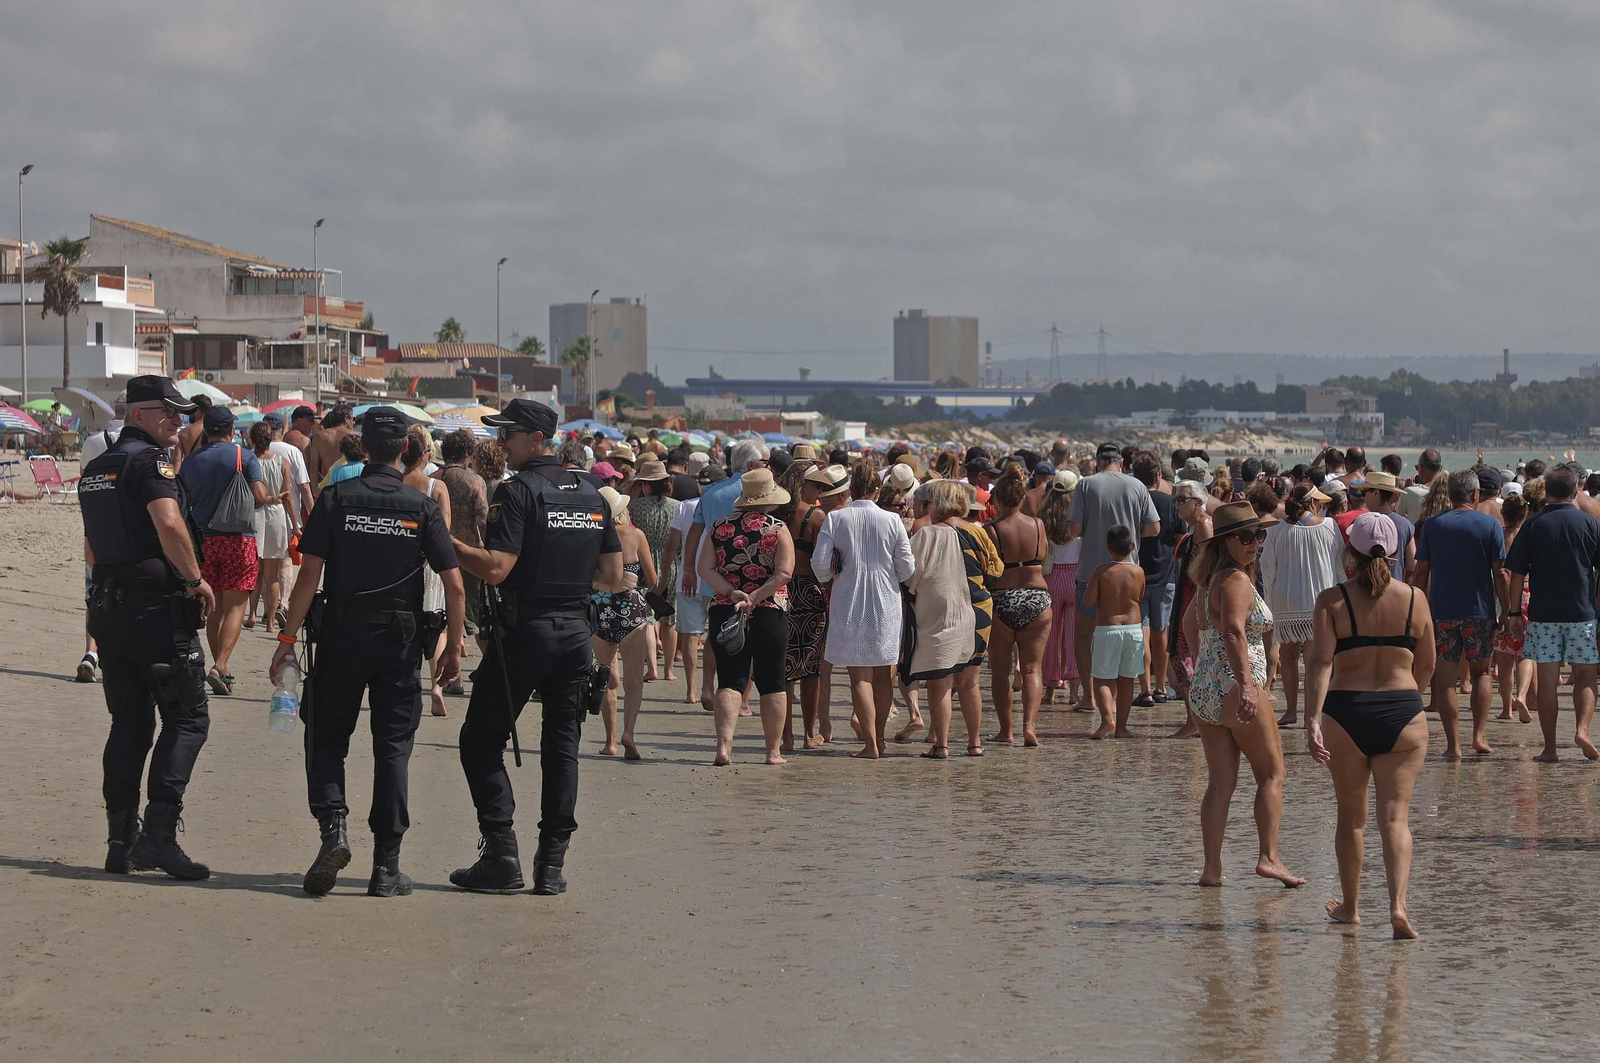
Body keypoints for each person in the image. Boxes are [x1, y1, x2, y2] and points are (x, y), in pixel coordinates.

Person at [269, 407, 464, 897]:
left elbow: (308, 578)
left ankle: (333, 827)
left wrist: (286, 642)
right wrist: (455, 647)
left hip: (339, 637)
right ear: (405, 450)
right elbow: (455, 585)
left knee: (327, 737)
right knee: (393, 748)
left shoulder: (335, 499)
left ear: (360, 444)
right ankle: (386, 866)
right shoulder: (419, 506)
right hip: (398, 643)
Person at [447, 399, 624, 896]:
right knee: (562, 745)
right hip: (574, 632)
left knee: (480, 741)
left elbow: (498, 568)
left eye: (510, 435)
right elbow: (612, 577)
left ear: (538, 439)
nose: (501, 443)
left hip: (527, 629)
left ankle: (502, 854)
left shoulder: (517, 491)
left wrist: (449, 544)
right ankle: (551, 865)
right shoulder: (593, 495)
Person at [80, 376, 216, 881]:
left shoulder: (96, 468)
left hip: (111, 610)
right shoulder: (150, 462)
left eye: (181, 414)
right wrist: (196, 579)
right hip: (155, 612)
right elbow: (168, 521)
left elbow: (92, 544)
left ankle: (121, 841)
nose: (177, 422)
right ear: (139, 413)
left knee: (129, 724)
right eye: (168, 413)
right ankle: (157, 835)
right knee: (188, 719)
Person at [1304, 512, 1434, 939]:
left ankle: (1351, 908)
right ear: (1394, 553)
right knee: (1396, 820)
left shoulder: (1332, 600)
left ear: (1350, 555)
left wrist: (1311, 720)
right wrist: (1408, 698)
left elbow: (1321, 663)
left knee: (1352, 820)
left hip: (1347, 711)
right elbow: (1427, 665)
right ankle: (1398, 906)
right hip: (1404, 713)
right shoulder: (1415, 599)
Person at [1185, 501, 1304, 889]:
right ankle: (1269, 858)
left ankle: (1212, 869)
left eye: (1259, 535)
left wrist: (1208, 665)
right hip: (1237, 686)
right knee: (1273, 774)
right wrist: (1249, 684)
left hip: (1205, 688)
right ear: (1225, 542)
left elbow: (1190, 625)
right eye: (1246, 537)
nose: (1256, 543)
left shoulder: (1208, 582)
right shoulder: (1235, 581)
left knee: (1221, 782)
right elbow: (1235, 631)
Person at [813, 460, 915, 759]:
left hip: (849, 596)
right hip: (886, 598)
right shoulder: (893, 520)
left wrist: (834, 572)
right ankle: (879, 739)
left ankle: (870, 744)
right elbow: (907, 567)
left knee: (859, 676)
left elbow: (819, 565)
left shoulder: (836, 519)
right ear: (877, 489)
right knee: (883, 675)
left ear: (849, 488)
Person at [696, 469, 795, 765]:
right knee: (773, 681)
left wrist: (733, 592)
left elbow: (705, 569)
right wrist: (757, 596)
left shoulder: (719, 527)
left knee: (730, 680)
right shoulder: (777, 528)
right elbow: (784, 573)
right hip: (769, 611)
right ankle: (772, 752)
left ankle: (724, 748)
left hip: (726, 608)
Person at [1504, 465, 1600, 762]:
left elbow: (1516, 573)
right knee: (1585, 676)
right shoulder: (1590, 524)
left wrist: (1512, 612)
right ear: (1575, 492)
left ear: (1546, 492)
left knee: (1547, 681)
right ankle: (1582, 729)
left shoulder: (1533, 525)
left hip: (1543, 614)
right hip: (1582, 612)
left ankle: (1549, 748)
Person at [1411, 469, 1507, 758]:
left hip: (1441, 612)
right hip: (1479, 611)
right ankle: (1479, 736)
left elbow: (1421, 572)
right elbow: (1499, 573)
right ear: (1475, 494)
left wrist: (1416, 607)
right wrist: (1509, 610)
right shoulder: (1490, 526)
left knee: (1446, 677)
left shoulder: (1432, 526)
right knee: (1481, 674)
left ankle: (1453, 746)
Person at [178, 404, 268, 696]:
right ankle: (220, 665)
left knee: (213, 604)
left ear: (205, 430)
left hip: (203, 541)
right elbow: (258, 496)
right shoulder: (244, 456)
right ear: (232, 430)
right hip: (237, 539)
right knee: (236, 606)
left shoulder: (190, 462)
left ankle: (223, 669)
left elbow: (182, 502)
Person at [904, 480, 991, 758]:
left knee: (940, 682)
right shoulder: (978, 533)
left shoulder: (926, 535)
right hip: (979, 611)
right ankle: (974, 743)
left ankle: (941, 745)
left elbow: (909, 577)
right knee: (970, 682)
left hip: (940, 612)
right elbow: (995, 570)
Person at [1068, 443, 1159, 705]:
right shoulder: (1137, 487)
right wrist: (1127, 535)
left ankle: (1089, 695)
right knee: (1129, 631)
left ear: (1098, 462)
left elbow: (1074, 529)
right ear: (1121, 463)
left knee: (1085, 634)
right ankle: (1120, 697)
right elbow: (1153, 528)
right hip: (1129, 572)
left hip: (1090, 572)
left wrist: (1097, 531)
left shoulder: (1086, 485)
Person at [1261, 484, 1342, 727]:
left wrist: (1268, 601)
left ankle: (1290, 710)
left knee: (1288, 655)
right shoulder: (1329, 526)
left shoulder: (1277, 529)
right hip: (1319, 597)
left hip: (1286, 598)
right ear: (1312, 503)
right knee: (1314, 659)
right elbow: (1338, 566)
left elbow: (1267, 568)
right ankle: (1311, 714)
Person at [984, 463, 1053, 746]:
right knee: (1031, 669)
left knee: (1001, 671)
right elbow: (1045, 560)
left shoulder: (992, 529)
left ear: (998, 499)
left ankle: (1006, 731)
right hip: (1037, 598)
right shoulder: (1038, 525)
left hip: (1002, 599)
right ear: (1022, 497)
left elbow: (989, 569)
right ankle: (1030, 727)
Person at [592, 486, 657, 759]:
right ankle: (628, 732)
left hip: (601, 608)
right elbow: (652, 580)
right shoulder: (635, 535)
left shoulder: (593, 536)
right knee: (634, 680)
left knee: (607, 677)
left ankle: (610, 742)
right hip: (631, 609)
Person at [398, 425, 456, 717]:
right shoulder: (437, 486)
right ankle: (436, 685)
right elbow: (444, 531)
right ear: (425, 455)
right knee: (437, 625)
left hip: (401, 564)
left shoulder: (395, 482)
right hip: (431, 564)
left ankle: (404, 684)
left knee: (404, 624)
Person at [776, 461, 830, 748]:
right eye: (816, 485)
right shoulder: (816, 517)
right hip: (809, 593)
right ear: (803, 484)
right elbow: (823, 563)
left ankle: (786, 736)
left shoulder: (777, 513)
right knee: (811, 668)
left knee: (784, 668)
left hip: (781, 591)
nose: (819, 491)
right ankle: (809, 734)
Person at [433, 429, 489, 675]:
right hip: (470, 554)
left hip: (438, 550)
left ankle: (447, 676)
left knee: (444, 613)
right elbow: (482, 518)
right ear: (468, 453)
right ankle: (487, 667)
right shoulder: (475, 481)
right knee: (473, 616)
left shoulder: (434, 479)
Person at [1131, 452, 1183, 708]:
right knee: (1161, 633)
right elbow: (1181, 536)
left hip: (1137, 574)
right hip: (1165, 573)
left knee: (1142, 632)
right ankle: (1161, 686)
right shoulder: (1168, 502)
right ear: (1157, 476)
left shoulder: (1133, 501)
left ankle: (1145, 689)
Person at [1085, 525, 1146, 739]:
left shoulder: (1102, 571)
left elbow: (1088, 601)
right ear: (1132, 546)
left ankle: (1107, 719)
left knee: (1102, 678)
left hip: (1107, 627)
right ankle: (1121, 727)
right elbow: (1139, 596)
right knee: (1127, 678)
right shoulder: (1138, 571)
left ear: (1108, 549)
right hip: (1133, 628)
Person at [1166, 480, 1213, 738]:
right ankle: (1193, 717)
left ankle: (1196, 719)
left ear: (1198, 502)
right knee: (1180, 658)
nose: (1177, 504)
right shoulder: (1193, 528)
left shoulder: (1204, 525)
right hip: (1186, 600)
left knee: (1188, 659)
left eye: (1182, 499)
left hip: (1195, 602)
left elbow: (1207, 567)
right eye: (1175, 499)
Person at [627, 460, 680, 684]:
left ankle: (652, 668)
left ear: (646, 485)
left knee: (647, 618)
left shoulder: (635, 507)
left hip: (644, 565)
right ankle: (669, 670)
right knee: (670, 618)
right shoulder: (678, 506)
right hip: (672, 565)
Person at [245, 421, 295, 635]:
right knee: (272, 575)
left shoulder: (249, 461)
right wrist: (296, 524)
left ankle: (252, 614)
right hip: (276, 516)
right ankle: (272, 622)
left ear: (252, 439)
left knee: (255, 571)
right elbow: (287, 496)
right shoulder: (282, 462)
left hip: (254, 515)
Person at [1040, 470, 1082, 707]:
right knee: (1074, 638)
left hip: (1052, 576)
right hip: (1075, 575)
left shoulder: (1045, 515)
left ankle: (1050, 689)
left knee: (1051, 637)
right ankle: (1074, 691)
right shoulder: (1079, 515)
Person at [1492, 494, 1535, 723]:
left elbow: (1501, 573)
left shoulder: (1499, 535)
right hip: (1528, 596)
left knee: (1504, 658)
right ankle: (1522, 696)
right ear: (1525, 514)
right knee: (1526, 654)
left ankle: (1507, 708)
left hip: (1504, 599)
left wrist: (1505, 607)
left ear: (1503, 513)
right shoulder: (1529, 535)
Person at [1361, 472, 1414, 580]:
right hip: (1395, 591)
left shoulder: (1362, 523)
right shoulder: (1405, 524)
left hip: (1365, 590)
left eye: (1364, 492)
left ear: (1376, 493)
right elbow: (1412, 564)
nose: (1363, 497)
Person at [307, 404, 356, 497]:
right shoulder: (356, 436)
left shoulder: (318, 437)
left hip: (329, 488)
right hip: (351, 488)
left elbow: (313, 468)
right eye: (352, 419)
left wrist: (315, 491)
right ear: (346, 418)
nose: (353, 422)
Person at [169, 394, 211, 473]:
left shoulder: (184, 433)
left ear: (197, 410)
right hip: (210, 474)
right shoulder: (214, 430)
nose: (189, 414)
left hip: (191, 475)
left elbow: (177, 460)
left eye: (191, 410)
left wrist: (175, 481)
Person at [1397, 449, 1441, 523]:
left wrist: (1405, 489)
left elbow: (1397, 518)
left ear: (1420, 468)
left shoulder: (1409, 492)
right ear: (1440, 468)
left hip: (1417, 534)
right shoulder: (1448, 493)